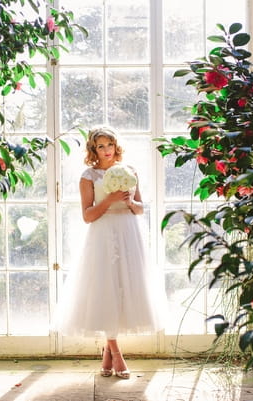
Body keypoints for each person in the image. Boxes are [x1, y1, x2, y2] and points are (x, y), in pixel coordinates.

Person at [55, 126, 167, 379]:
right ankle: (116, 353)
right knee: (105, 289)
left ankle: (107, 352)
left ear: (117, 146)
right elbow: (87, 216)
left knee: (124, 289)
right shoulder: (88, 175)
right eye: (100, 146)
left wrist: (128, 200)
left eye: (109, 145)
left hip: (128, 232)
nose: (106, 151)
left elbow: (140, 210)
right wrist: (109, 199)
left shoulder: (130, 171)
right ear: (94, 150)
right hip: (102, 233)